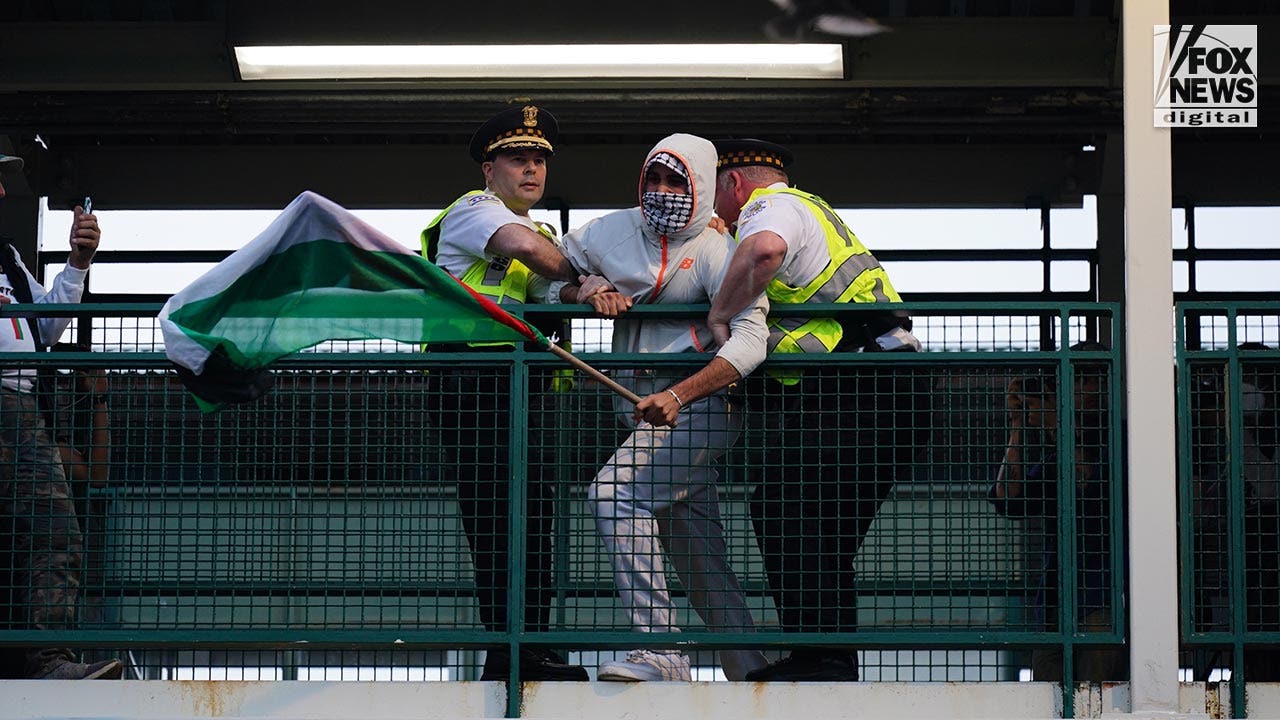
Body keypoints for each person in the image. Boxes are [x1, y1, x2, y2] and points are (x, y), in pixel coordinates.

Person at [705, 138, 926, 682]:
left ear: (735, 184)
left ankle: (820, 657)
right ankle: (827, 657)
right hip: (892, 392)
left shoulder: (770, 207)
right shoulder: (813, 210)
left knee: (784, 508)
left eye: (714, 190)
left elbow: (763, 252)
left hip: (856, 392)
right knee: (822, 533)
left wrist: (719, 314)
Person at [551, 132, 770, 682]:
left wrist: (680, 394)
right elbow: (539, 278)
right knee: (700, 559)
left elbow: (750, 340)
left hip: (702, 408)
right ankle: (751, 673)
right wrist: (582, 289)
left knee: (615, 492)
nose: (662, 190)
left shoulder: (723, 250)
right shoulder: (607, 231)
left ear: (701, 185)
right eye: (654, 177)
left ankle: (661, 651)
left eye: (678, 180)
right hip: (639, 414)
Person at [420, 106, 587, 681]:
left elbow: (549, 285)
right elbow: (537, 258)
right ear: (489, 169)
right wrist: (589, 276)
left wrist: (584, 293)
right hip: (471, 379)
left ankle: (526, 647)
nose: (533, 169)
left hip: (515, 384)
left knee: (531, 514)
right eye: (519, 158)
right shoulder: (474, 210)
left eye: (540, 159)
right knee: (500, 517)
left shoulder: (537, 230)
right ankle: (512, 651)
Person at [0, 152, 120, 679]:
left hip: (21, 405)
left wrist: (77, 262)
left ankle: (50, 661)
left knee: (53, 530)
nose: (3, 193)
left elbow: (44, 328)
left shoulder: (5, 257)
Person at [988, 341, 1124, 682]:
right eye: (1079, 379)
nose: (1089, 389)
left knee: (1097, 697)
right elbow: (1008, 498)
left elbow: (1085, 477)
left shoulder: (1125, 439)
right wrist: (1019, 424)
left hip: (1106, 599)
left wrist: (1054, 422)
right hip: (1055, 603)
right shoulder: (1054, 456)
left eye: (1097, 379)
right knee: (1047, 696)